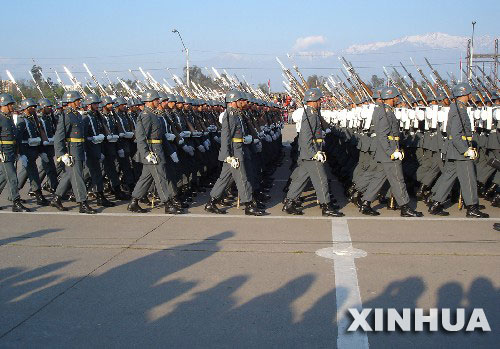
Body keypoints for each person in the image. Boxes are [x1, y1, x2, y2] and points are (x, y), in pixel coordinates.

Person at [359, 86, 423, 217]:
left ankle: (365, 203)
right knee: (398, 180)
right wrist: (391, 151)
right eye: (396, 97)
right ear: (390, 98)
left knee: (378, 179)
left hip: (388, 150)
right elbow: (382, 135)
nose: (397, 99)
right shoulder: (384, 112)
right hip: (389, 152)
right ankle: (405, 207)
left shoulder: (386, 110)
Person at [428, 83, 489, 218]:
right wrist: (465, 150)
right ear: (464, 94)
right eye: (469, 94)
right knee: (469, 178)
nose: (470, 96)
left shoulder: (457, 108)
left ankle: (435, 203)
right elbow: (456, 134)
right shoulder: (459, 109)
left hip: (455, 150)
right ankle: (472, 207)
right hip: (460, 151)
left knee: (448, 177)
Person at [283, 88, 344, 217]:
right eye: (319, 100)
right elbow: (306, 137)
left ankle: (289, 202)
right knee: (321, 179)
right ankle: (326, 205)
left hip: (310, 152)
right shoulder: (310, 114)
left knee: (301, 179)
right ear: (313, 101)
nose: (321, 102)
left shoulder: (313, 113)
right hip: (311, 154)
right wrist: (314, 153)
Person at [205, 89, 265, 216]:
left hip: (239, 148)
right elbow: (226, 136)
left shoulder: (237, 114)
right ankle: (248, 205)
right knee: (242, 178)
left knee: (224, 179)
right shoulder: (229, 115)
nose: (241, 102)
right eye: (239, 100)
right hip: (234, 152)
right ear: (232, 101)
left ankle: (211, 202)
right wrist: (228, 156)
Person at [127, 89, 184, 214]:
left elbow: (161, 136)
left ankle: (133, 202)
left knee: (145, 178)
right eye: (156, 100)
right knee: (160, 177)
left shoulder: (154, 115)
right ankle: (167, 204)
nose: (159, 102)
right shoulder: (146, 115)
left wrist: (170, 152)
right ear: (150, 101)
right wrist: (146, 153)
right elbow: (141, 137)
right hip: (152, 152)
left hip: (158, 150)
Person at [51, 91, 97, 214]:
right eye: (77, 100)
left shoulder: (77, 115)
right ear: (71, 101)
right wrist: (62, 155)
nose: (79, 102)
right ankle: (82, 202)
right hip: (72, 150)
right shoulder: (66, 116)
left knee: (69, 175)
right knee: (78, 177)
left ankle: (56, 198)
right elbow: (58, 137)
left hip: (79, 148)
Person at [0, 93, 30, 212]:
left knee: (3, 177)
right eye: (10, 104)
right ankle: (15, 202)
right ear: (4, 105)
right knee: (12, 177)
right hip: (4, 151)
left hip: (11, 150)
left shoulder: (8, 117)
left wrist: (17, 150)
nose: (12, 107)